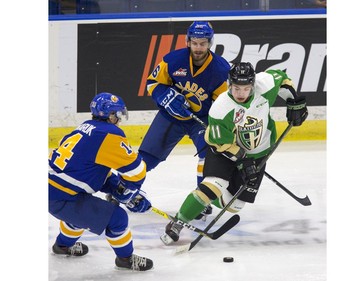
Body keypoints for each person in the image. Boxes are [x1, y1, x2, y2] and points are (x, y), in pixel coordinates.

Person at [160, 62, 308, 245]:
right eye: (236, 88)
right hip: (223, 149)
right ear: (230, 84)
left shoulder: (265, 85)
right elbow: (222, 143)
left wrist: (294, 102)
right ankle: (179, 221)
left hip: (259, 151)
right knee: (213, 186)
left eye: (245, 89)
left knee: (234, 205)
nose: (240, 93)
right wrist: (242, 161)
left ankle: (206, 200)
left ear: (253, 85)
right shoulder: (221, 108)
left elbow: (282, 78)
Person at [49, 92, 153, 271]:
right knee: (117, 218)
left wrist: (116, 188)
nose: (119, 120)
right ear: (111, 116)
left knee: (81, 213)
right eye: (118, 115)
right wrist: (129, 192)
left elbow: (90, 171)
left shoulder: (84, 127)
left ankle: (62, 246)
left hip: (54, 191)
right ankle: (125, 259)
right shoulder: (110, 134)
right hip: (62, 197)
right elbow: (136, 172)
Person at [138, 21, 230, 220]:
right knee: (147, 156)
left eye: (203, 43)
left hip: (201, 119)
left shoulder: (221, 70)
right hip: (170, 116)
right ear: (188, 41)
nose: (198, 48)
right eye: (195, 43)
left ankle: (201, 201)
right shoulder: (173, 60)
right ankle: (123, 188)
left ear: (210, 43)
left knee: (210, 156)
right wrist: (164, 96)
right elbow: (153, 82)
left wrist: (216, 122)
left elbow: (223, 104)